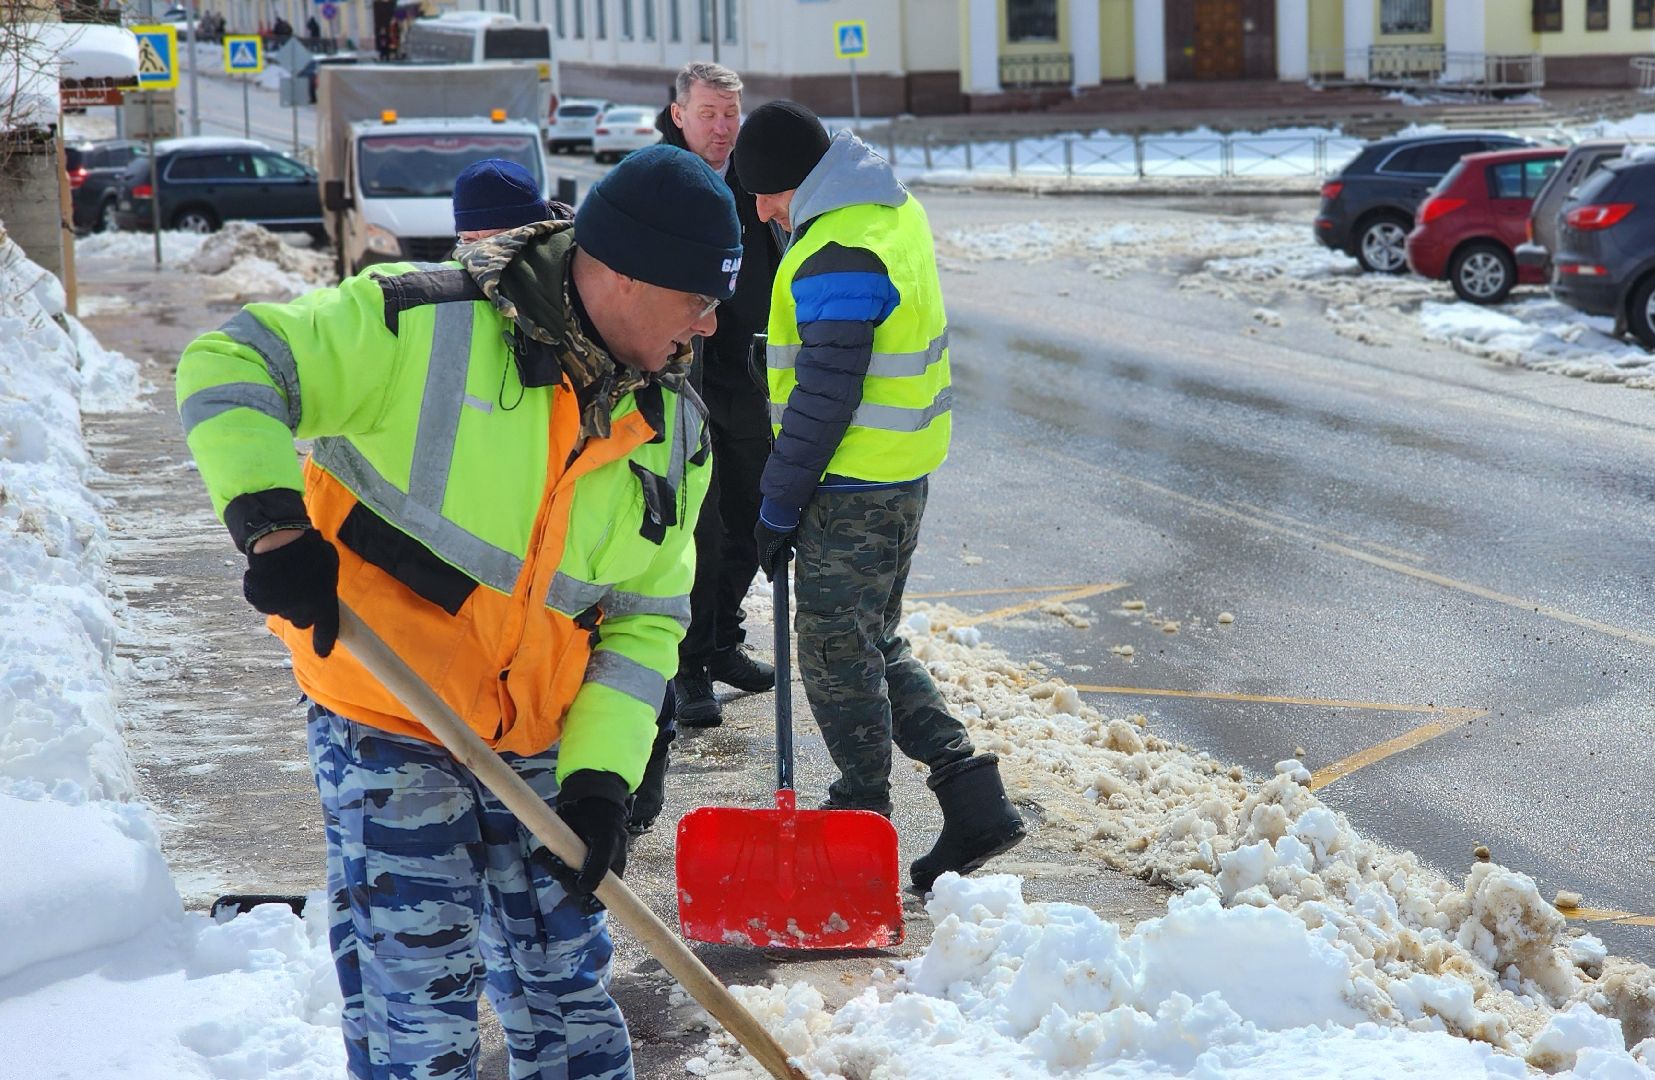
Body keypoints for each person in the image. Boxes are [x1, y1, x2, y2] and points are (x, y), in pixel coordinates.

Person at [174, 146, 739, 1078]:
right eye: (697, 301)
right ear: (626, 276)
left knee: (567, 994)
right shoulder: (419, 322)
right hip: (388, 710)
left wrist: (602, 778)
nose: (710, 326)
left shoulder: (673, 431)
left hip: (542, 732)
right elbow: (232, 360)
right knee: (419, 999)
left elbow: (644, 626)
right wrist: (272, 526)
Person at [733, 101, 1025, 892]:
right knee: (870, 641)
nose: (761, 211)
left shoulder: (841, 249)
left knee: (834, 653)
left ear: (799, 180)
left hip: (850, 485)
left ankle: (860, 815)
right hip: (894, 473)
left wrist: (778, 505)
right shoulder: (884, 208)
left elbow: (826, 395)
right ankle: (973, 798)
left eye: (766, 194)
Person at [659, 61, 782, 730]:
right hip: (678, 381)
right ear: (679, 114)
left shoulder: (749, 176)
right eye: (709, 113)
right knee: (696, 531)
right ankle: (689, 666)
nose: (723, 127)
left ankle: (723, 639)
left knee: (756, 515)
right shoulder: (660, 181)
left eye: (731, 113)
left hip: (742, 377)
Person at [452, 157, 556, 243]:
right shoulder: (452, 263)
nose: (478, 251)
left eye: (496, 241)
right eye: (469, 240)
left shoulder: (567, 261)